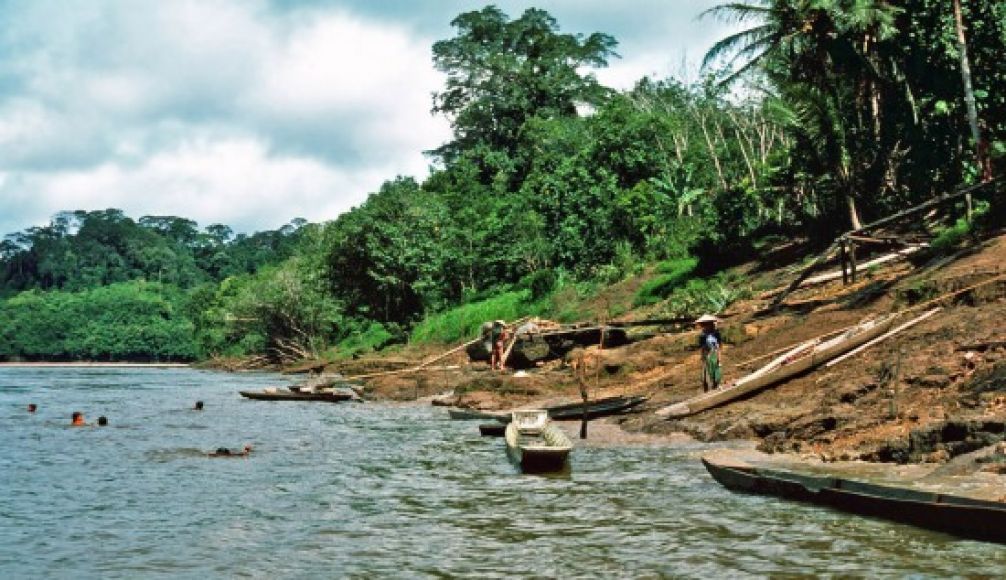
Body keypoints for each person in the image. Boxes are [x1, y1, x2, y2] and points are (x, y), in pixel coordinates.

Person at [696, 314, 723, 392]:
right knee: (705, 374)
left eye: (709, 324)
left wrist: (719, 358)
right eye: (705, 324)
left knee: (716, 371)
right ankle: (706, 390)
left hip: (714, 353)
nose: (707, 326)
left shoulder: (716, 334)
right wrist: (704, 356)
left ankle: (716, 387)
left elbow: (719, 346)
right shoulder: (702, 336)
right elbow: (702, 347)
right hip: (706, 355)